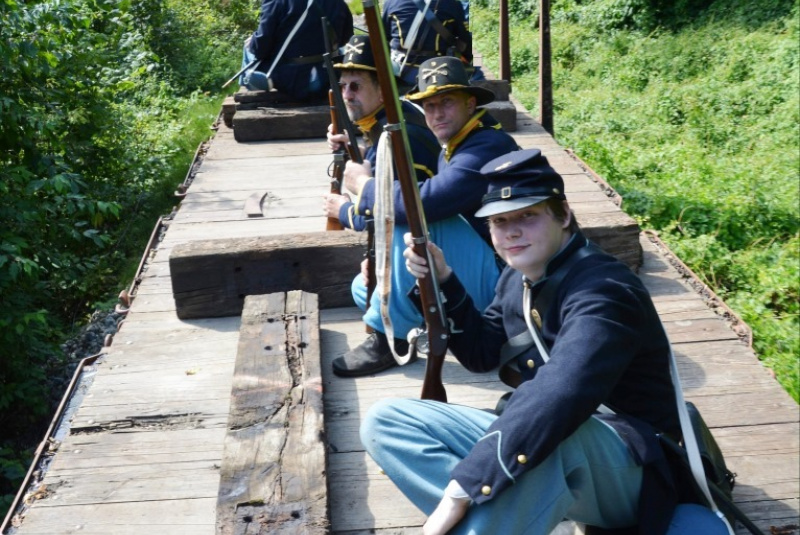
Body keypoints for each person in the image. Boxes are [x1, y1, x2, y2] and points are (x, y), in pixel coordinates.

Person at [361, 148, 731, 534]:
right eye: (499, 221)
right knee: (387, 420)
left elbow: (562, 392)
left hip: (635, 468)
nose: (512, 231)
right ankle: (502, 517)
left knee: (552, 438)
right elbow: (482, 352)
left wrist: (462, 488)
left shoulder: (605, 290)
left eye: (528, 215)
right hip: (560, 448)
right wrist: (444, 283)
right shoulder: (516, 278)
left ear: (564, 215)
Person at [330, 56, 519, 377]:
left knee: (416, 219)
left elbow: (422, 204)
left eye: (447, 103)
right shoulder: (463, 141)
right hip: (484, 268)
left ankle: (392, 341)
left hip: (506, 284)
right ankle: (421, 317)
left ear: (470, 104)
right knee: (364, 288)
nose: (437, 114)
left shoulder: (485, 147)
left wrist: (363, 186)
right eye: (429, 106)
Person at [324, 34, 441, 233]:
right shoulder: (396, 115)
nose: (346, 95)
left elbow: (383, 217)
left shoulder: (394, 137)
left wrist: (343, 210)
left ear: (382, 91)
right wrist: (359, 152)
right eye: (343, 86)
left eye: (356, 86)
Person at [239, 0, 353, 101]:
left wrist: (253, 41)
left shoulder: (274, 2)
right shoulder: (338, 2)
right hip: (328, 78)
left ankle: (249, 90)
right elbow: (344, 39)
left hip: (293, 82)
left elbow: (260, 49)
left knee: (248, 47)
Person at [381, 0, 481, 87]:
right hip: (440, 73)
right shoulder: (452, 4)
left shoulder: (391, 2)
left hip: (399, 73)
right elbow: (464, 42)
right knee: (477, 73)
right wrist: (467, 58)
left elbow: (383, 37)